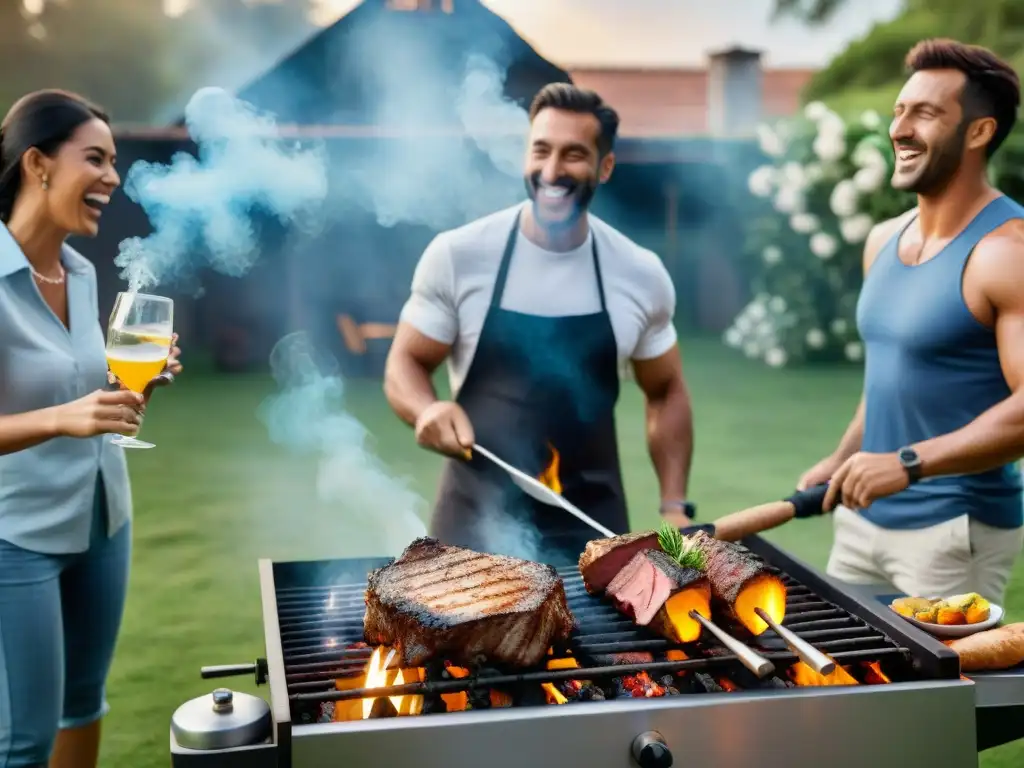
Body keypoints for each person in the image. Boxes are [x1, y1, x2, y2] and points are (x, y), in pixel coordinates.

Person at [384, 83, 694, 565]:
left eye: (573, 155)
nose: (552, 171)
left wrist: (675, 505)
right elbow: (405, 361)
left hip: (593, 529)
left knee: (607, 643)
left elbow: (667, 389)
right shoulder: (460, 255)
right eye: (541, 150)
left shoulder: (638, 272)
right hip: (472, 524)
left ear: (604, 167)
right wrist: (425, 410)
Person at [797, 40, 1024, 604]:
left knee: (935, 695)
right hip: (863, 519)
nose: (900, 129)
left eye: (925, 113)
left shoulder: (1007, 252)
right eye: (900, 111)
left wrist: (908, 464)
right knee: (847, 683)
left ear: (978, 132)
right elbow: (893, 378)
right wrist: (845, 456)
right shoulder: (883, 241)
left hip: (952, 532)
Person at [0, 90, 182, 768]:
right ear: (39, 164)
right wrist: (64, 418)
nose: (113, 176)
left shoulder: (78, 271)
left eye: (115, 160)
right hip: (16, 535)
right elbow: (62, 412)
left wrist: (131, 388)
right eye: (96, 159)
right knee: (23, 739)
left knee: (85, 703)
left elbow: (84, 399)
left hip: (104, 519)